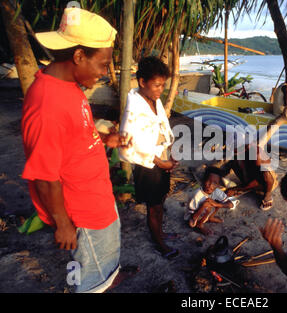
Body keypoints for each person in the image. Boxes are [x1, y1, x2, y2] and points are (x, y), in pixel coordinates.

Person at [21, 7, 135, 293]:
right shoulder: (47, 104)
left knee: (103, 258)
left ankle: (108, 275)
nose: (104, 73)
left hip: (96, 196)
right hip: (81, 213)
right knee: (85, 277)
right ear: (78, 56)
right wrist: (62, 223)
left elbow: (71, 136)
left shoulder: (68, 84)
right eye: (102, 64)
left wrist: (102, 139)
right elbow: (45, 174)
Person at [119, 56, 179, 260]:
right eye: (156, 85)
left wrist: (170, 153)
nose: (160, 89)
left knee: (160, 200)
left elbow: (163, 126)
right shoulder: (134, 107)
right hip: (148, 164)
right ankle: (159, 243)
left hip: (160, 159)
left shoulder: (153, 100)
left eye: (163, 85)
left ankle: (160, 233)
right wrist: (161, 162)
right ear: (142, 82)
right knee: (153, 206)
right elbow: (131, 141)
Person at [222, 133, 278, 211]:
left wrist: (236, 189)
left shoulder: (256, 154)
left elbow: (255, 181)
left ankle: (268, 194)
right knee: (235, 163)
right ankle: (246, 188)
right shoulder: (239, 154)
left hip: (266, 183)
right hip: (251, 180)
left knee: (264, 171)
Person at [187, 167, 233, 235]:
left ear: (218, 185)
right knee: (207, 205)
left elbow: (231, 205)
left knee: (217, 202)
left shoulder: (217, 191)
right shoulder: (196, 195)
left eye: (215, 183)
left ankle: (210, 217)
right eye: (209, 181)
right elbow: (192, 217)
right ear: (203, 181)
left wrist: (217, 205)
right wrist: (203, 206)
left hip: (206, 213)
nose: (211, 185)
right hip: (194, 218)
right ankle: (200, 225)